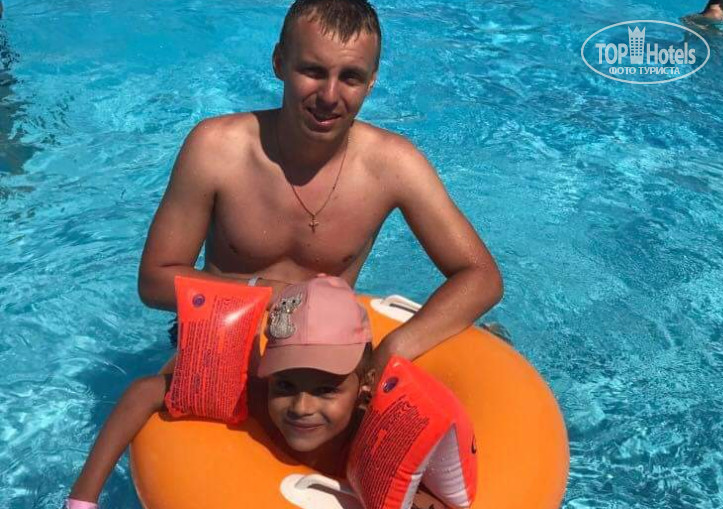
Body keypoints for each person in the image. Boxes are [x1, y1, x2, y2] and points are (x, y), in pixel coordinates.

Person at [137, 0, 503, 373]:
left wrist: (395, 346)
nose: (329, 96)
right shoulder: (217, 149)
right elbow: (154, 281)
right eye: (313, 71)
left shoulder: (393, 166)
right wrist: (267, 292)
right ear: (279, 62)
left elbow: (481, 277)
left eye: (350, 77)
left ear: (372, 81)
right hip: (221, 343)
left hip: (322, 370)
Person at [66, 276, 446, 509]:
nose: (302, 406)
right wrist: (83, 499)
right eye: (285, 385)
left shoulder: (378, 433)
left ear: (364, 389)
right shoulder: (252, 398)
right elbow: (145, 391)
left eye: (326, 389)